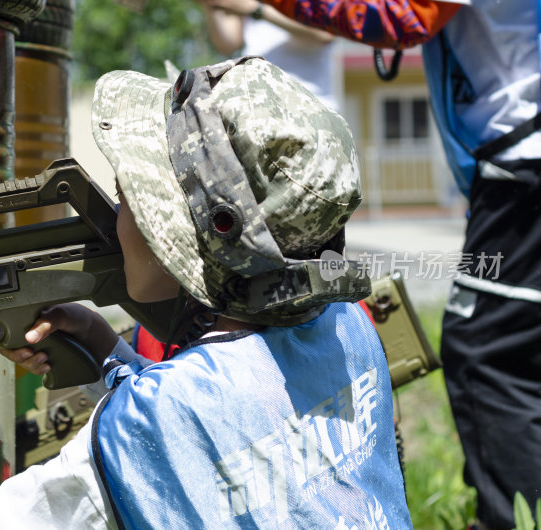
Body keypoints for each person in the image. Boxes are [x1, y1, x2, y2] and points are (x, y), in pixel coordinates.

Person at [0, 57, 412, 528]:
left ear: (175, 240)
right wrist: (108, 351)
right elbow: (236, 423)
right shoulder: (349, 330)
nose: (115, 215)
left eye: (134, 200)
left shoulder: (144, 426)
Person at [230, 2, 538, 528]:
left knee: (483, 350)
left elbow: (400, 17)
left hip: (522, 163)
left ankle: (512, 516)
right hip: (512, 163)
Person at [197, 0, 339, 111]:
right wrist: (212, 5)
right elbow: (227, 45)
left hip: (309, 106)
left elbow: (325, 33)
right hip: (258, 106)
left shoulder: (256, 8)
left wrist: (258, 11)